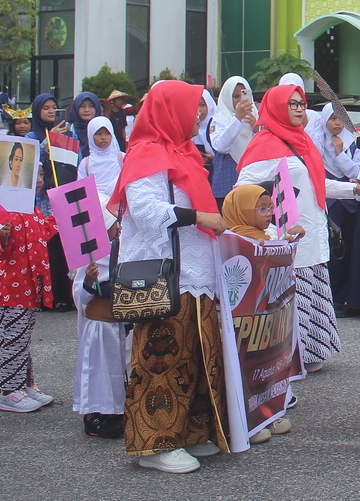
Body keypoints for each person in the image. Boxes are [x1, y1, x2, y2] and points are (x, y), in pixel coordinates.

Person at [108, 80, 229, 473]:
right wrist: (201, 218)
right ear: (170, 110)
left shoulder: (185, 152)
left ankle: (191, 432)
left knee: (195, 356)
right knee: (161, 359)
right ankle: (155, 442)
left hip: (197, 273)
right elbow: (145, 211)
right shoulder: (147, 153)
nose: (199, 114)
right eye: (192, 107)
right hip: (166, 276)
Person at [236, 84, 360, 372]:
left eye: (301, 103)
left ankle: (309, 354)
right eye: (292, 104)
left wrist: (355, 190)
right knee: (293, 298)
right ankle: (289, 359)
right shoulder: (265, 144)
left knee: (312, 294)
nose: (299, 108)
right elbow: (242, 191)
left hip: (313, 235)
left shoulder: (302, 141)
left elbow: (315, 185)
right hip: (289, 239)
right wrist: (270, 227)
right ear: (275, 108)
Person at [220, 183, 297, 444]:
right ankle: (247, 422)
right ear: (241, 210)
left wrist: (286, 244)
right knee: (244, 368)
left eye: (270, 208)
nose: (267, 213)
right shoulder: (228, 240)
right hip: (242, 321)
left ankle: (267, 412)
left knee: (268, 363)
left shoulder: (269, 236)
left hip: (267, 320)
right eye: (261, 208)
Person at [314, 103, 360, 318]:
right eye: (332, 119)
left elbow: (358, 170)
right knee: (330, 249)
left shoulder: (354, 143)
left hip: (352, 201)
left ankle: (347, 297)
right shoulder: (316, 143)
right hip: (329, 201)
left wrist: (339, 155)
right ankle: (331, 297)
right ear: (324, 120)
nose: (337, 124)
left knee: (348, 250)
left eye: (341, 119)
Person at [0, 179, 58, 413]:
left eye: (41, 173)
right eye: (34, 173)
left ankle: (24, 383)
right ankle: (9, 391)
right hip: (11, 287)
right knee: (12, 338)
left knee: (22, 338)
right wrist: (2, 235)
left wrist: (60, 216)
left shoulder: (34, 209)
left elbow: (44, 232)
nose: (38, 179)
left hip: (31, 285)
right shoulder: (3, 207)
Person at [71, 244, 129, 439]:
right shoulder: (92, 254)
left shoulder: (127, 246)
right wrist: (89, 280)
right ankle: (93, 414)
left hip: (120, 323)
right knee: (97, 370)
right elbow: (80, 296)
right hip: (99, 324)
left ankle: (115, 411)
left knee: (116, 370)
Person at [26, 93, 77, 311]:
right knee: (41, 245)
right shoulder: (30, 136)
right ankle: (41, 295)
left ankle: (63, 295)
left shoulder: (67, 134)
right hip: (37, 197)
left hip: (59, 195)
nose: (49, 111)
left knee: (59, 247)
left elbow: (72, 164)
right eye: (45, 107)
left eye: (53, 107)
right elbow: (26, 160)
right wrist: (47, 143)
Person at [207, 76, 257, 208]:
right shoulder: (219, 119)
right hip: (226, 184)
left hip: (252, 182)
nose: (240, 101)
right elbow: (221, 146)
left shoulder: (256, 118)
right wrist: (237, 119)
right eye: (235, 96)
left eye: (243, 95)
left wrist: (257, 129)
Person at [77, 117, 124, 196]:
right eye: (98, 134)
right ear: (91, 136)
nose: (103, 137)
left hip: (119, 202)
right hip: (96, 204)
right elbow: (81, 188)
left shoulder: (122, 158)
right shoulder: (86, 163)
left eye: (107, 133)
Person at [67, 92, 103, 161]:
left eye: (91, 106)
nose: (87, 110)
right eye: (82, 106)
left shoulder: (103, 128)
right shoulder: (69, 131)